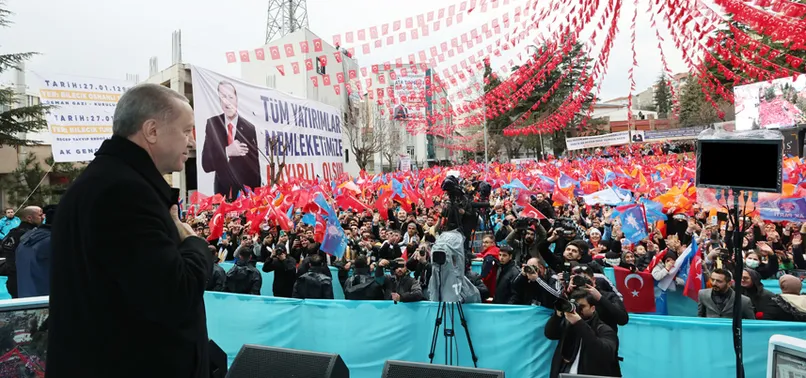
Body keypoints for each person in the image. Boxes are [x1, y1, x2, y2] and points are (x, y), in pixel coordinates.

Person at [47, 84, 212, 378]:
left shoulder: (102, 181)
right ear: (152, 131)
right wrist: (195, 244)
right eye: (186, 131)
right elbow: (174, 294)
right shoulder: (125, 193)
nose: (190, 142)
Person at [200, 80, 261, 199]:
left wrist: (256, 197)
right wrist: (227, 151)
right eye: (222, 97)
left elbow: (255, 167)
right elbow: (206, 164)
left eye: (230, 97)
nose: (227, 102)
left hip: (244, 195)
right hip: (222, 194)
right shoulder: (213, 124)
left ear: (237, 99)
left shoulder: (249, 128)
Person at [544, 289, 621, 378]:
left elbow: (603, 353)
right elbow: (550, 334)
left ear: (592, 308)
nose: (578, 311)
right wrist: (557, 316)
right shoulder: (568, 324)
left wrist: (579, 323)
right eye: (576, 306)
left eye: (582, 307)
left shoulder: (604, 330)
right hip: (563, 373)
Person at [0, 206, 43, 298]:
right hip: (27, 280)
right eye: (40, 215)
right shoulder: (34, 235)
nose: (43, 217)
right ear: (29, 218)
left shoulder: (13, 232)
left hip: (14, 280)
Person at [16, 205, 56, 298]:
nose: (42, 217)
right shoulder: (50, 241)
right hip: (44, 299)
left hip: (26, 295)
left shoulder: (25, 239)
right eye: (40, 215)